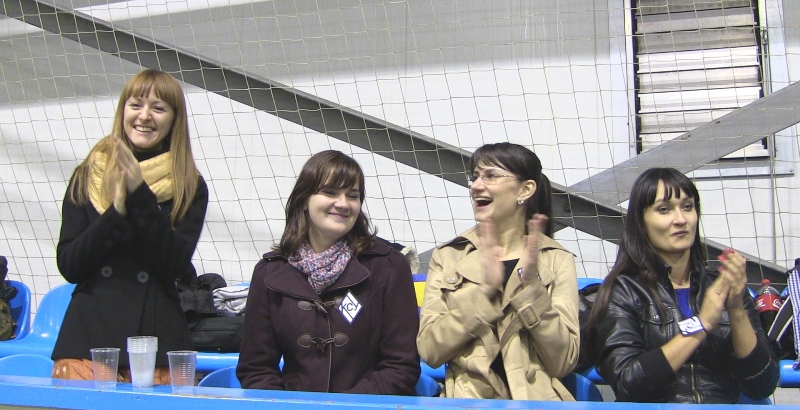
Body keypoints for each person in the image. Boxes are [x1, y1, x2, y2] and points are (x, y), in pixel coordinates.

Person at [52, 70, 208, 383]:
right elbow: (70, 265)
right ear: (123, 110)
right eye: (135, 105)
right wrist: (116, 213)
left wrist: (139, 196)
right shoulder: (88, 175)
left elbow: (174, 265)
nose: (144, 116)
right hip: (88, 342)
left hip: (157, 342)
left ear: (174, 119)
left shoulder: (189, 185)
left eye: (158, 108)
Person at [586, 167, 779, 403]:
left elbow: (763, 385)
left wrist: (736, 309)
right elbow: (628, 382)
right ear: (641, 222)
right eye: (664, 209)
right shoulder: (623, 291)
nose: (681, 219)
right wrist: (701, 324)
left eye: (687, 207)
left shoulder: (722, 287)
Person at [237, 150, 420, 394]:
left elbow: (401, 367)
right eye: (330, 192)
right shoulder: (270, 272)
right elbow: (256, 369)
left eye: (352, 195)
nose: (343, 203)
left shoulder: (389, 266)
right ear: (304, 199)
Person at [417, 142, 579, 400]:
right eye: (475, 177)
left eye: (491, 176)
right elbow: (430, 351)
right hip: (466, 402)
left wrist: (532, 291)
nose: (475, 186)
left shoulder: (556, 260)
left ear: (525, 189)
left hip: (535, 403)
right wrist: (482, 296)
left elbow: (563, 362)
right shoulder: (449, 256)